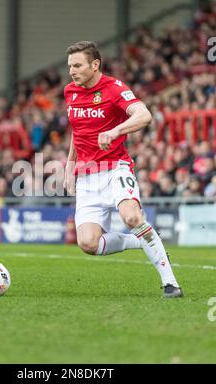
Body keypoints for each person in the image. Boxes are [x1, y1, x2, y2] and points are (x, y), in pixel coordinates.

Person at [63, 41, 183, 298]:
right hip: (86, 177)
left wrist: (116, 130)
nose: (72, 71)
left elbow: (144, 115)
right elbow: (77, 131)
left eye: (77, 65)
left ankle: (170, 283)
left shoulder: (114, 88)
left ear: (95, 65)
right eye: (70, 66)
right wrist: (69, 166)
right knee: (87, 243)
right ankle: (140, 240)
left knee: (132, 218)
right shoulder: (69, 92)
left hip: (115, 168)